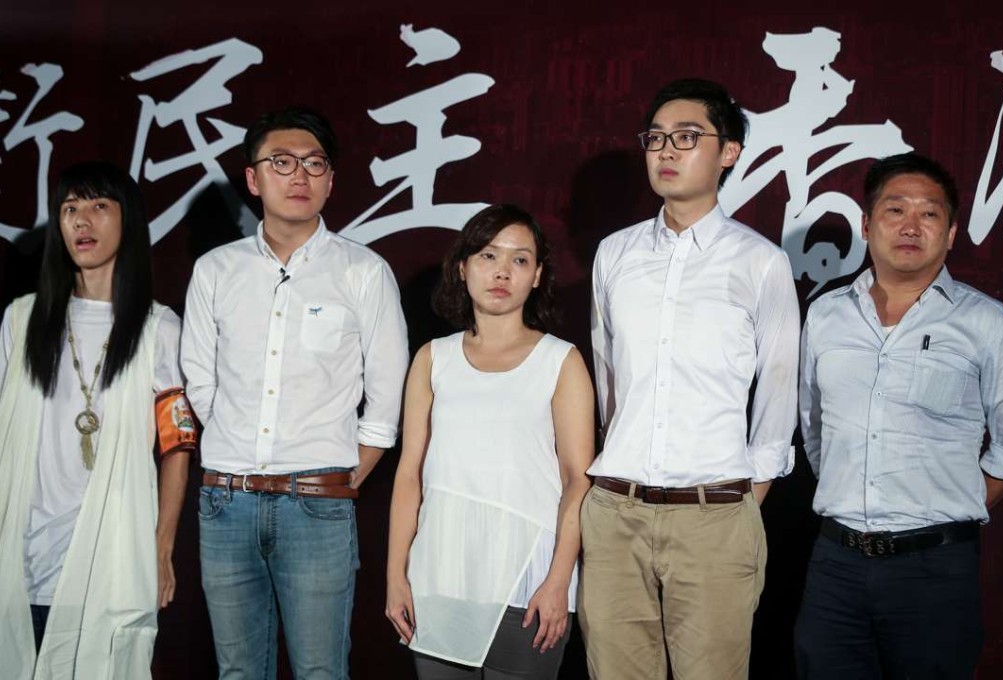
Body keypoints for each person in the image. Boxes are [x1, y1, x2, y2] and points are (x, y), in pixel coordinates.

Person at [582, 78, 800, 679]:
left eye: (686, 137)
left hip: (715, 515)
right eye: (655, 138)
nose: (666, 151)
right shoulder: (615, 253)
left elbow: (778, 397)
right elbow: (607, 381)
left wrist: (738, 503)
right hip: (616, 512)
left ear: (728, 151)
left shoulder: (761, 262)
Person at [181, 107, 408, 679]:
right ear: (254, 179)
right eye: (281, 163)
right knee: (238, 671)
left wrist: (343, 480)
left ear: (331, 180)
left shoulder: (363, 271)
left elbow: (386, 396)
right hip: (225, 501)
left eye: (314, 163)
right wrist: (234, 441)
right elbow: (200, 381)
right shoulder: (215, 270)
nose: (299, 176)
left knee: (320, 671)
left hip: (317, 503)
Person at [795, 152, 1003, 679]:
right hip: (835, 564)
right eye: (896, 210)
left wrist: (941, 506)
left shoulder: (991, 325)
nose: (911, 226)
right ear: (867, 225)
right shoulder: (825, 315)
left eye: (929, 213)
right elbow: (813, 428)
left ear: (952, 232)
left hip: (934, 570)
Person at [0, 161, 193, 679]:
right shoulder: (21, 319)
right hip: (21, 557)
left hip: (113, 559)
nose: (81, 221)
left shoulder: (158, 329)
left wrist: (161, 547)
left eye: (98, 206)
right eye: (69, 209)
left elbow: (177, 447)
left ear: (127, 220)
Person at [385, 204, 594, 679]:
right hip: (441, 574)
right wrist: (396, 575)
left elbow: (578, 481)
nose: (502, 271)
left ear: (537, 275)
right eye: (488, 255)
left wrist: (559, 580)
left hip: (529, 579)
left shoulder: (560, 361)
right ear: (463, 267)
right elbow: (410, 474)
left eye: (519, 259)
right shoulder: (433, 358)